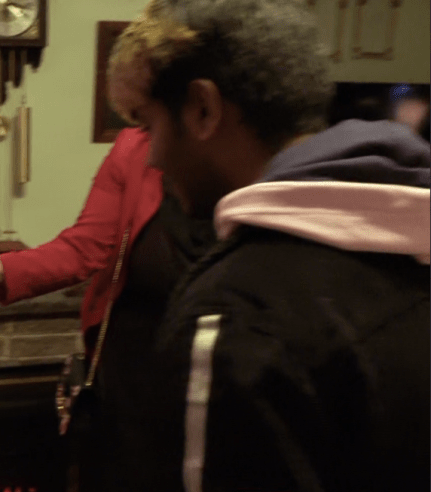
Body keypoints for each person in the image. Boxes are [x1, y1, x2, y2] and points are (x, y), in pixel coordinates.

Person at [103, 0, 430, 491]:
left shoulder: (234, 311)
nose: (151, 156)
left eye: (150, 126)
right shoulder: (412, 255)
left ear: (202, 109)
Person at [0, 126, 215, 490]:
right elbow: (84, 248)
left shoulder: (254, 158)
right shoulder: (133, 147)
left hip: (207, 376)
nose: (140, 124)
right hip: (129, 379)